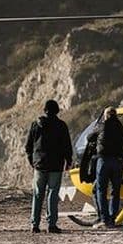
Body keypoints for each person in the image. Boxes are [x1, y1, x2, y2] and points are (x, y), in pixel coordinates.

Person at [25, 99, 73, 233]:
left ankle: (34, 224)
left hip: (39, 165)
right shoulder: (61, 125)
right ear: (57, 110)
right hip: (56, 165)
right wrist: (68, 161)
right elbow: (66, 146)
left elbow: (28, 146)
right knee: (52, 194)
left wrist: (32, 161)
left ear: (45, 110)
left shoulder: (36, 125)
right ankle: (51, 224)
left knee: (37, 194)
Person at [90, 106, 123, 228]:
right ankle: (112, 218)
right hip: (117, 161)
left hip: (104, 160)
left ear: (106, 115)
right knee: (115, 191)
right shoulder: (122, 129)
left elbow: (89, 137)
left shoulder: (102, 126)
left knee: (101, 190)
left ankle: (104, 219)